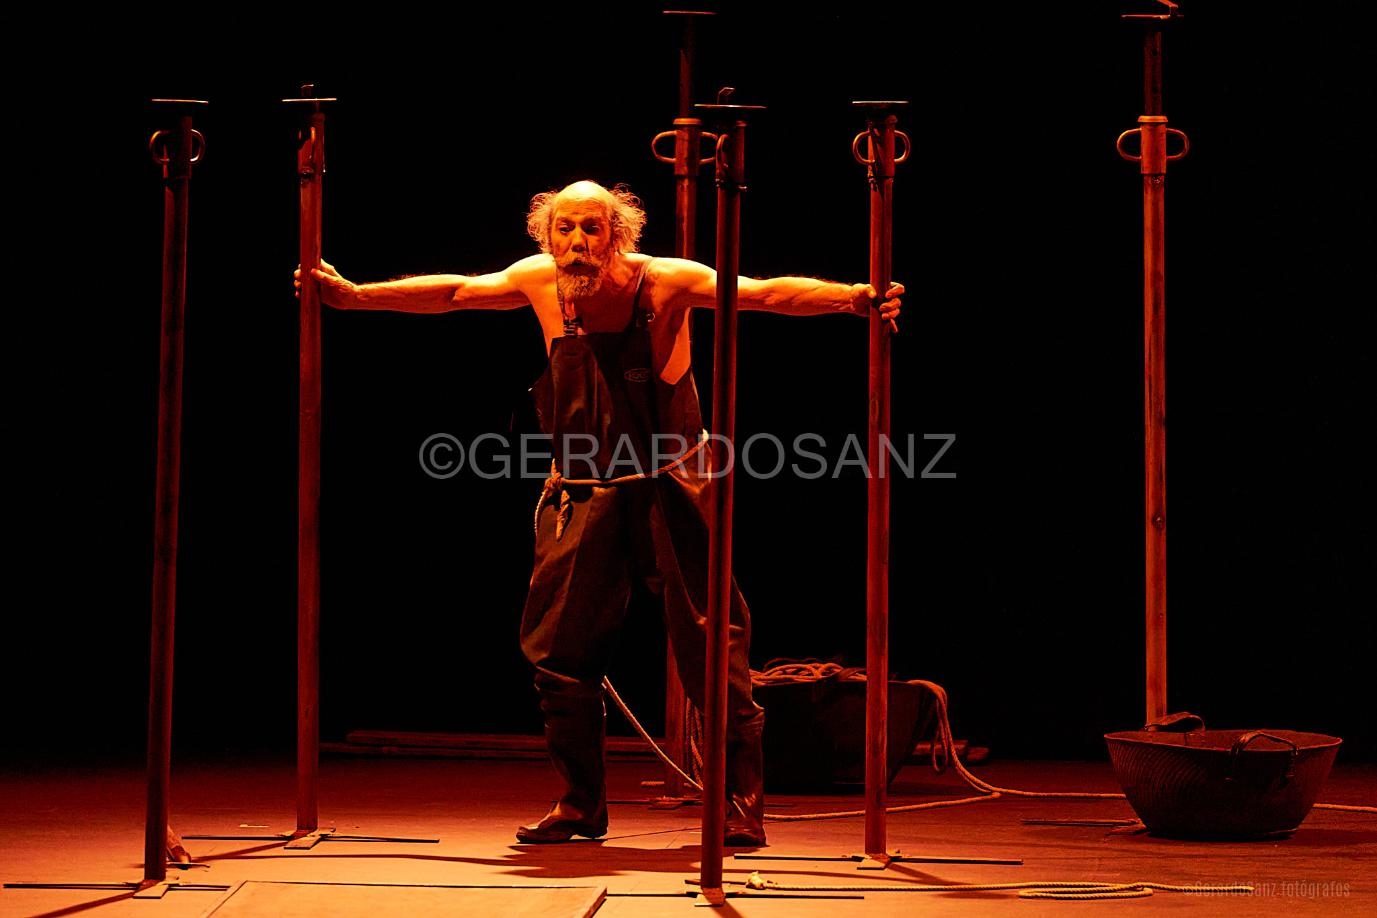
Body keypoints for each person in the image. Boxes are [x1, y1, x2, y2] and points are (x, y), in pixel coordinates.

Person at [304, 180, 902, 846]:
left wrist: (853, 298)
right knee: (558, 652)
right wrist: (355, 296)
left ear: (618, 234)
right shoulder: (540, 281)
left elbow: (762, 293)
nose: (576, 243)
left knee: (710, 644)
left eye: (591, 228)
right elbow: (455, 292)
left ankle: (740, 804)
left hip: (672, 487)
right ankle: (579, 805)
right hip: (583, 490)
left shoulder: (666, 282)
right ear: (546, 236)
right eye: (564, 229)